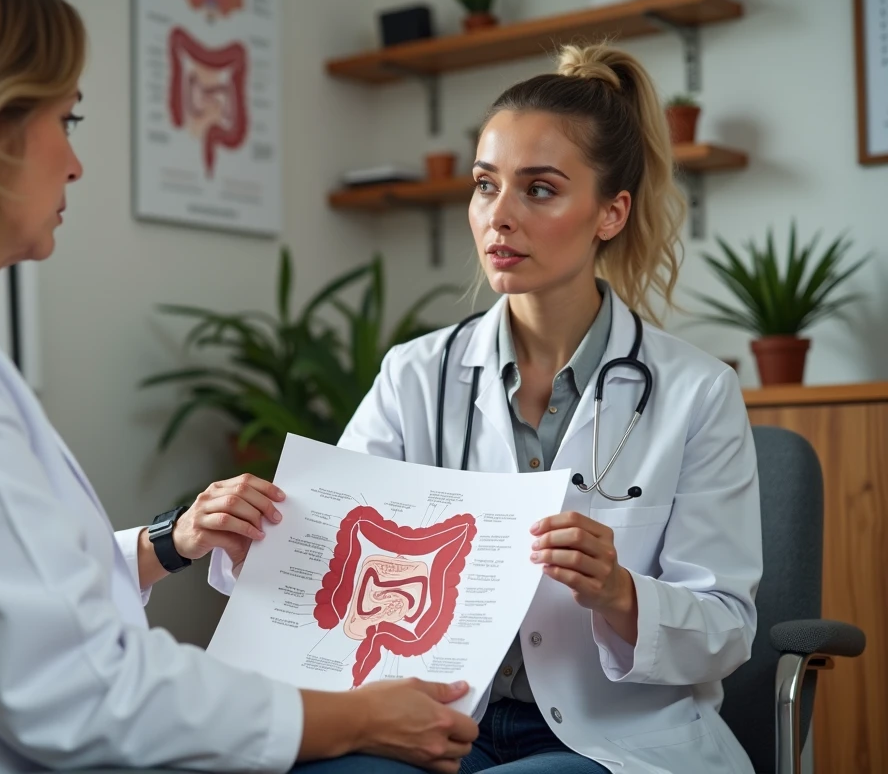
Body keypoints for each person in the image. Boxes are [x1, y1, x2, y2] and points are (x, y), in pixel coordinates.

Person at [0, 0, 481, 772]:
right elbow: (86, 693)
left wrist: (164, 546)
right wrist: (350, 717)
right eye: (64, 119)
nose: (75, 164)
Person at [212, 44, 762, 774]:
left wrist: (620, 593)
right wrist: (258, 539)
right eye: (484, 185)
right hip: (437, 718)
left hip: (610, 736)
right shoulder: (414, 375)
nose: (498, 217)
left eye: (539, 189)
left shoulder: (696, 392)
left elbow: (727, 627)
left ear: (610, 212)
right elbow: (338, 554)